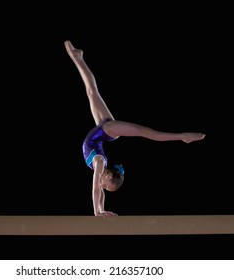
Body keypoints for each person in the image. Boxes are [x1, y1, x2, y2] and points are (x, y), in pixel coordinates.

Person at [64, 40, 205, 217]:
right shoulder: (99, 163)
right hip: (108, 130)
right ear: (107, 177)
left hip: (102, 130)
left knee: (91, 91)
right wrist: (96, 212)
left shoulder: (100, 166)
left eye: (106, 188)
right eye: (107, 186)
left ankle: (79, 58)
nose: (104, 187)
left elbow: (99, 193)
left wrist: (101, 210)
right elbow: (95, 190)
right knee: (146, 132)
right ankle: (183, 136)